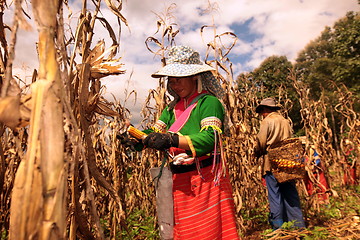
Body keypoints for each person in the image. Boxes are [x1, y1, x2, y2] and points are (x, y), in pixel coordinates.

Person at [125, 46, 239, 239]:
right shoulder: (171, 109)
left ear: (195, 77)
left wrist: (172, 139)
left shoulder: (208, 103)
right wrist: (136, 139)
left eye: (179, 79)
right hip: (179, 182)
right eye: (172, 80)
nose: (175, 85)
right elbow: (155, 134)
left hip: (206, 179)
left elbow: (212, 138)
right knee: (184, 232)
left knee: (207, 232)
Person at [254, 98, 305, 230]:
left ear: (265, 109)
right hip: (287, 162)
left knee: (275, 195)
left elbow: (261, 141)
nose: (262, 114)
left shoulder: (267, 121)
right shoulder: (285, 121)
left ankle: (278, 229)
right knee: (291, 194)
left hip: (271, 162)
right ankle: (298, 226)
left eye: (262, 112)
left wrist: (256, 153)